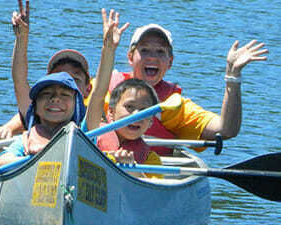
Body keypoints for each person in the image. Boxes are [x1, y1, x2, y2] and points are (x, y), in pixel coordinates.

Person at [87, 21, 269, 154]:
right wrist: (108, 48)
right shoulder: (104, 88)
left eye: (160, 52)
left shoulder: (174, 106)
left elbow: (226, 129)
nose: (152, 58)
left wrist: (233, 77)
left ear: (170, 62)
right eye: (144, 50)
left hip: (152, 171)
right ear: (130, 57)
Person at [0, 0, 91, 140]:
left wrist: (109, 48)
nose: (56, 98)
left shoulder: (90, 119)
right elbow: (19, 81)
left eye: (74, 79)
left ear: (88, 89)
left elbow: (100, 92)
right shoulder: (37, 111)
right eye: (58, 75)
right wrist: (22, 38)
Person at [83, 11, 160, 178]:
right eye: (129, 107)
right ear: (110, 112)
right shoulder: (93, 133)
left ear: (150, 122)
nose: (136, 115)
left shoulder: (150, 159)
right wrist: (108, 48)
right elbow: (97, 94)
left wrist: (133, 171)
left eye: (144, 111)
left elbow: (155, 188)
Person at [0, 72, 86, 168]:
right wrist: (36, 161)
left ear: (76, 106)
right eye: (46, 93)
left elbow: (97, 95)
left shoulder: (86, 135)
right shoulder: (27, 139)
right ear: (35, 107)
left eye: (65, 94)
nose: (55, 99)